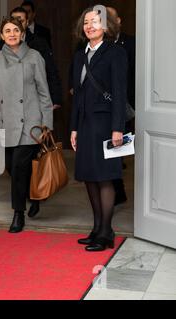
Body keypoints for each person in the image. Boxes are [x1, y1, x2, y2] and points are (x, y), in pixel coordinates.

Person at [0, 17, 53, 233]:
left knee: (20, 166)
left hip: (31, 122)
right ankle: (33, 195)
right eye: (7, 31)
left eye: (15, 30)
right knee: (12, 166)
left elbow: (43, 92)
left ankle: (17, 213)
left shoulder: (34, 57)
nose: (12, 34)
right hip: (7, 120)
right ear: (1, 36)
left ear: (22, 34)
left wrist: (47, 123)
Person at [70, 6, 128, 252]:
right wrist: (73, 128)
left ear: (106, 26)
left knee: (105, 178)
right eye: (86, 22)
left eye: (95, 21)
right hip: (84, 125)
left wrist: (118, 129)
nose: (90, 26)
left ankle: (106, 233)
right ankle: (96, 229)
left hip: (106, 125)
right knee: (89, 179)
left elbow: (119, 93)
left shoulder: (116, 53)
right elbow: (77, 95)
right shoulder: (79, 55)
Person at [107, 6, 136, 206]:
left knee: (118, 151)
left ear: (118, 21)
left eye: (111, 18)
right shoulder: (90, 44)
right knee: (109, 154)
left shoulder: (131, 43)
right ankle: (115, 190)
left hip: (124, 104)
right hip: (101, 107)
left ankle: (118, 190)